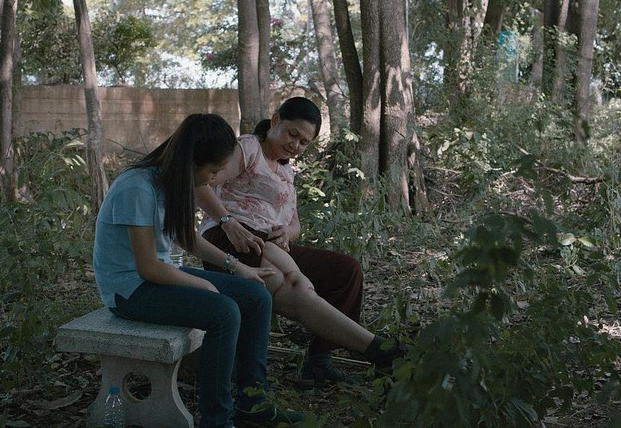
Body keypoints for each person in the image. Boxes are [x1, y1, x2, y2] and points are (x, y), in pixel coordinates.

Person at [93, 113, 305, 428]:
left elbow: (185, 237)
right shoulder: (136, 187)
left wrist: (236, 266)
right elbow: (148, 267)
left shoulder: (169, 180)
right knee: (224, 312)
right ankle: (217, 420)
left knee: (256, 295)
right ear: (191, 162)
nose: (213, 179)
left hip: (158, 277)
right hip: (129, 291)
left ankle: (254, 403)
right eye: (213, 171)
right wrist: (201, 285)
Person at [196, 97, 403, 389]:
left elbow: (294, 223)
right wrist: (227, 222)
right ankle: (381, 351)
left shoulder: (286, 171)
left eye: (304, 142)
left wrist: (287, 234)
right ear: (275, 120)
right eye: (293, 134)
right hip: (231, 240)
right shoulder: (249, 148)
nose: (296, 146)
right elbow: (199, 182)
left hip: (271, 245)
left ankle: (319, 362)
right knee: (293, 284)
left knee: (346, 270)